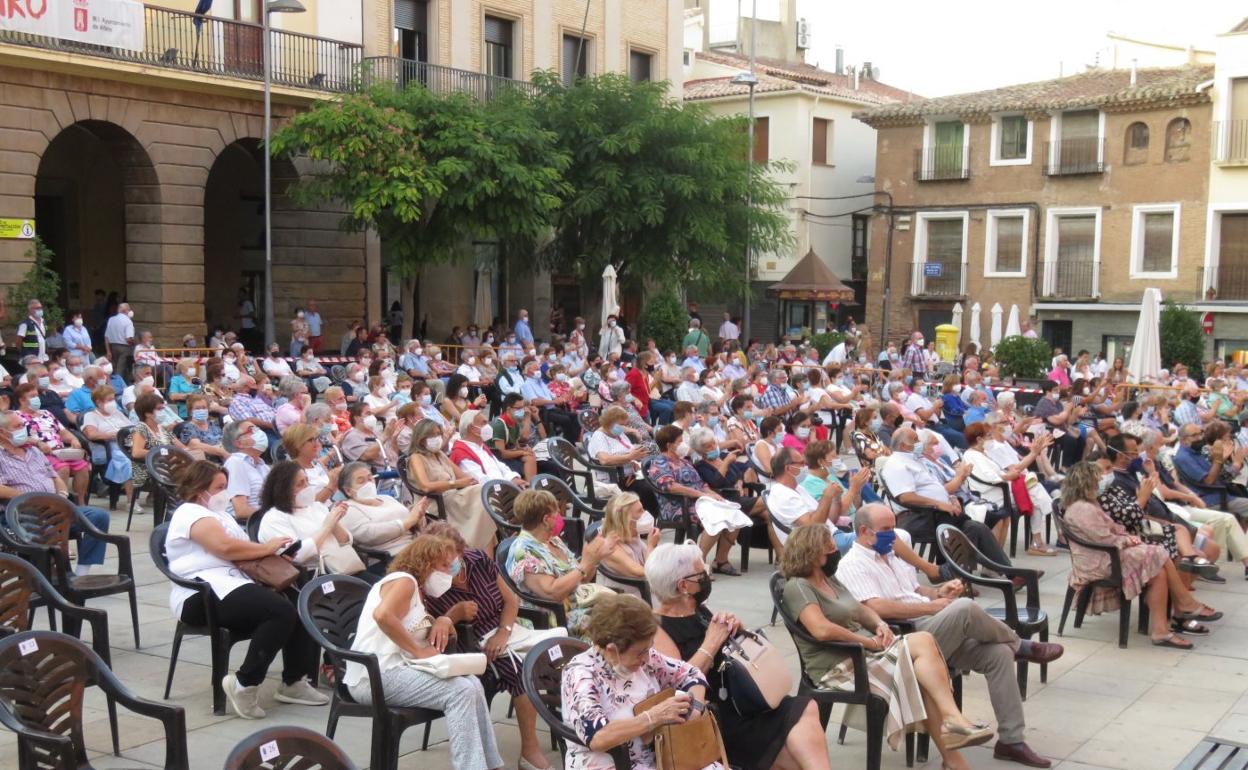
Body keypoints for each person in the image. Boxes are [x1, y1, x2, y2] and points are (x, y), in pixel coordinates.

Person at [838, 505, 1062, 768]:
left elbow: (912, 590)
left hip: (930, 626)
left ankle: (1011, 741)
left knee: (998, 653)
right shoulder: (853, 564)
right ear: (865, 531)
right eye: (887, 530)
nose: (894, 536)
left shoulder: (890, 556)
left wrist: (938, 592)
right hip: (905, 640)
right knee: (966, 609)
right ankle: (1020, 644)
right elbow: (875, 607)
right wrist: (931, 606)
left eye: (893, 528)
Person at [778, 524, 983, 769]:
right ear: (811, 554)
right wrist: (867, 641)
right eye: (829, 549)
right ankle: (953, 725)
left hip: (866, 652)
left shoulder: (829, 579)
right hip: (841, 665)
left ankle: (954, 750)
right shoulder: (799, 587)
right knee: (924, 644)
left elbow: (861, 609)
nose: (835, 553)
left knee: (923, 674)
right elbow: (821, 630)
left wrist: (879, 625)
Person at [647, 541, 831, 770]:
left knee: (806, 708)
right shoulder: (658, 628)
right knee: (794, 753)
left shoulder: (698, 608)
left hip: (741, 700)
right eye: (700, 572)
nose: (706, 575)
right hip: (715, 717)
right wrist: (712, 642)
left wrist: (735, 631)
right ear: (683, 585)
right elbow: (678, 684)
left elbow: (728, 649)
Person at [164, 460, 326, 719]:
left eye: (225, 487)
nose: (224, 493)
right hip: (201, 594)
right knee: (279, 611)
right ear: (199, 489)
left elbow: (241, 550)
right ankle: (245, 683)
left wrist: (273, 557)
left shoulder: (221, 514)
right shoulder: (190, 513)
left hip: (233, 584)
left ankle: (294, 681)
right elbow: (224, 548)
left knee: (298, 601)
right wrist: (267, 548)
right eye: (219, 487)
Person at [345, 535, 504, 770]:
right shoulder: (404, 581)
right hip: (374, 676)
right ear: (424, 563)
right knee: (460, 692)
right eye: (442, 565)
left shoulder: (416, 589)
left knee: (472, 683)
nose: (448, 572)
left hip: (395, 671)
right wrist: (417, 651)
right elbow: (383, 616)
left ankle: (491, 765)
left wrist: (440, 622)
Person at [419, 522, 553, 770]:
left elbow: (511, 601)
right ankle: (530, 751)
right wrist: (454, 614)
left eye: (453, 560)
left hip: (505, 631)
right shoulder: (429, 583)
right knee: (518, 669)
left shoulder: (478, 559)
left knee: (554, 655)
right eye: (440, 562)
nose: (448, 568)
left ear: (462, 551)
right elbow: (434, 631)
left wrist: (504, 632)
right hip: (467, 644)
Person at [1060, 461, 1220, 650]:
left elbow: (1113, 528)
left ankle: (1162, 629)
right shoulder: (1082, 509)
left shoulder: (1089, 503)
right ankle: (1184, 604)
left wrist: (1127, 537)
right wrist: (1127, 540)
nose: (1100, 482)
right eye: (1097, 479)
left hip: (1108, 554)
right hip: (1101, 561)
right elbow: (1104, 538)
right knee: (1159, 553)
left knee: (1158, 571)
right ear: (1086, 482)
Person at [561, 592, 713, 770]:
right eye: (640, 652)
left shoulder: (645, 659)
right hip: (608, 763)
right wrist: (653, 717)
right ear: (611, 650)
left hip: (659, 755)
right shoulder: (581, 674)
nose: (647, 658)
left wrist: (694, 708)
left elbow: (691, 674)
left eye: (649, 649)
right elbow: (598, 738)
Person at [0, 410, 112, 575]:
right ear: (2, 432)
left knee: (98, 517)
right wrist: (31, 499)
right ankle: (60, 575)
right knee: (50, 529)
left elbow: (54, 476)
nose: (24, 429)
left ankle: (81, 573)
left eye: (23, 425)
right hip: (21, 514)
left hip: (54, 508)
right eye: (17, 426)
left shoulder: (34, 451)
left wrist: (62, 495)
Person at [505, 489, 617, 638]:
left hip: (576, 605)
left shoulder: (553, 540)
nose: (560, 517)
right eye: (556, 513)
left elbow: (581, 579)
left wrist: (595, 559)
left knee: (628, 609)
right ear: (546, 520)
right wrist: (585, 564)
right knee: (618, 625)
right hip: (553, 617)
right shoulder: (524, 553)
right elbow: (552, 593)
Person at [649, 425, 745, 575]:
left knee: (734, 514)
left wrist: (711, 494)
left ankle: (721, 560)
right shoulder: (660, 463)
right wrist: (700, 495)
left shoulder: (685, 462)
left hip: (700, 501)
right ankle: (699, 563)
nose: (684, 445)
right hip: (678, 505)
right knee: (717, 518)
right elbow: (671, 486)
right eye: (680, 441)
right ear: (669, 445)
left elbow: (701, 484)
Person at [962, 422, 1056, 556]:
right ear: (979, 439)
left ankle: (1039, 539)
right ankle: (1048, 528)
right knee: (1035, 490)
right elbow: (991, 477)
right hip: (992, 493)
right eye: (988, 436)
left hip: (1003, 488)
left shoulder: (984, 452)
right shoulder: (972, 455)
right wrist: (1008, 476)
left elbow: (1010, 470)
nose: (991, 439)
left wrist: (1034, 453)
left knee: (1034, 489)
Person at [406, 419, 495, 549]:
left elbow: (463, 476)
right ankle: (477, 551)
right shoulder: (416, 458)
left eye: (438, 434)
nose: (437, 438)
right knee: (484, 503)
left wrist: (470, 480)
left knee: (486, 496)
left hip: (455, 495)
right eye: (432, 435)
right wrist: (455, 483)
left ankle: (486, 559)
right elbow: (425, 486)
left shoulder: (440, 454)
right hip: (435, 501)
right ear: (421, 438)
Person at [13, 383, 90, 504]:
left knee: (83, 466)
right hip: (38, 453)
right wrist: (38, 443)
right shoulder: (16, 416)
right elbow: (17, 437)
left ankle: (80, 503)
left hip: (60, 451)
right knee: (63, 468)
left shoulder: (46, 413)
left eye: (37, 395)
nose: (37, 398)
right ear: (22, 400)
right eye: (32, 396)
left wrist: (73, 439)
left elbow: (62, 431)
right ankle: (61, 503)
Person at [338, 461, 428, 557]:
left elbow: (412, 521)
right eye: (361, 481)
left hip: (416, 543)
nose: (368, 484)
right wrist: (409, 521)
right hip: (393, 554)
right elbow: (369, 535)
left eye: (370, 478)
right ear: (348, 490)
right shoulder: (347, 509)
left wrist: (419, 517)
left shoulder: (386, 498)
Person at [1173, 422, 1248, 519]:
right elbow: (1209, 481)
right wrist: (1219, 459)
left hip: (1224, 493)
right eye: (1195, 435)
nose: (1200, 438)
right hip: (1212, 499)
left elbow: (1218, 475)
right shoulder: (1184, 458)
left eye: (1200, 433)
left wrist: (1223, 459)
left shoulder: (1197, 451)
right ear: (1183, 440)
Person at [595, 492, 660, 596]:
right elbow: (646, 572)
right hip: (630, 600)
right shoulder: (611, 547)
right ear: (625, 519)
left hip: (645, 590)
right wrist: (651, 545)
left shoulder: (631, 534)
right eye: (640, 511)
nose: (645, 513)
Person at [451, 410, 525, 487]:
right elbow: (481, 480)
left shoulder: (481, 446)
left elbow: (501, 467)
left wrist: (514, 479)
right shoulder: (460, 452)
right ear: (472, 428)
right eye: (484, 423)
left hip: (503, 488)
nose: (489, 426)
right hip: (489, 494)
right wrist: (510, 485)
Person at [222, 420, 271, 521]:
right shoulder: (235, 463)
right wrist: (274, 516)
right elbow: (241, 511)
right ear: (239, 443)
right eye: (252, 430)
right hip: (251, 524)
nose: (259, 433)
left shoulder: (263, 466)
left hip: (268, 519)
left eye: (257, 428)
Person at [104, 302, 136, 377]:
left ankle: (115, 383)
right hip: (125, 348)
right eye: (129, 309)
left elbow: (106, 336)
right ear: (126, 311)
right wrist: (134, 343)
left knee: (114, 368)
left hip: (113, 347)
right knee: (122, 369)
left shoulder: (111, 319)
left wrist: (108, 351)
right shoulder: (128, 321)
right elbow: (129, 339)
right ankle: (120, 385)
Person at [15, 298, 48, 363]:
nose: (40, 310)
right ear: (30, 310)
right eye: (37, 308)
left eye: (41, 308)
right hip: (30, 359)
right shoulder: (25, 324)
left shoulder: (43, 322)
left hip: (42, 357)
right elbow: (18, 342)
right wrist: (25, 353)